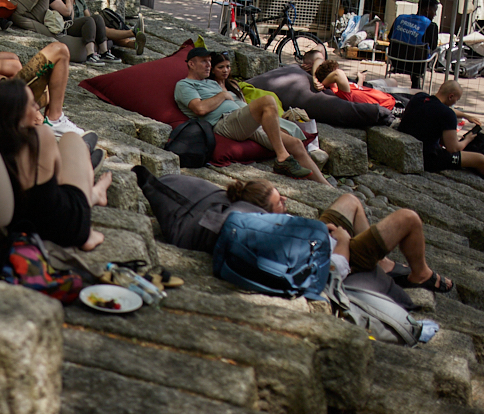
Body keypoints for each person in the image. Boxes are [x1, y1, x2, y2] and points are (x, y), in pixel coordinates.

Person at [228, 180, 454, 292]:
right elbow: (335, 269)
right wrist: (344, 241)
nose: (285, 200)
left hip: (317, 237)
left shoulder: (264, 226)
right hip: (336, 251)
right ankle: (421, 275)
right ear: (266, 212)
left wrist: (316, 228)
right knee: (409, 219)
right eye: (279, 202)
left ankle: (381, 263)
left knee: (350, 200)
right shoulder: (274, 244)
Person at [0, 80, 110, 250]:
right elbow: (57, 177)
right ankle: (90, 191)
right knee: (72, 140)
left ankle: (93, 192)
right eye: (32, 103)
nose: (37, 107)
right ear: (18, 113)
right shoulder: (40, 136)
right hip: (68, 227)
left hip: (21, 226)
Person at [174, 47, 327, 182]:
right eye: (203, 62)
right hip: (224, 122)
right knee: (267, 100)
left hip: (241, 119)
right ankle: (282, 158)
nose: (208, 65)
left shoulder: (212, 83)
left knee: (295, 144)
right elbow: (199, 109)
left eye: (209, 61)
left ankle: (327, 188)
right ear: (191, 64)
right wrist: (223, 96)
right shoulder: (184, 85)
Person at [397, 80, 484, 182]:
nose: (455, 103)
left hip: (408, 146)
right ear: (451, 96)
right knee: (480, 159)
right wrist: (467, 139)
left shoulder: (419, 98)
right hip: (428, 157)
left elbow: (442, 110)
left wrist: (465, 116)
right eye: (456, 99)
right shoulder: (447, 114)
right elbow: (453, 149)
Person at [48, 0, 119, 66]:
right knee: (88, 20)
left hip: (73, 23)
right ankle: (90, 55)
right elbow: (68, 14)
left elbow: (74, 16)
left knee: (97, 18)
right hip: (65, 26)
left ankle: (104, 52)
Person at [388, 0, 440, 89]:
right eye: (434, 10)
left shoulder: (400, 19)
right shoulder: (430, 26)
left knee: (413, 50)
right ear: (427, 10)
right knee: (424, 52)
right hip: (418, 66)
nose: (435, 14)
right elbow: (433, 46)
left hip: (396, 62)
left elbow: (390, 37)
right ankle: (416, 82)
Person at [314, 60, 396, 109]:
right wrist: (323, 84)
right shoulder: (339, 92)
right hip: (389, 104)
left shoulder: (345, 89)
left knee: (393, 81)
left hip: (385, 97)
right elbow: (338, 74)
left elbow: (355, 93)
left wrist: (360, 79)